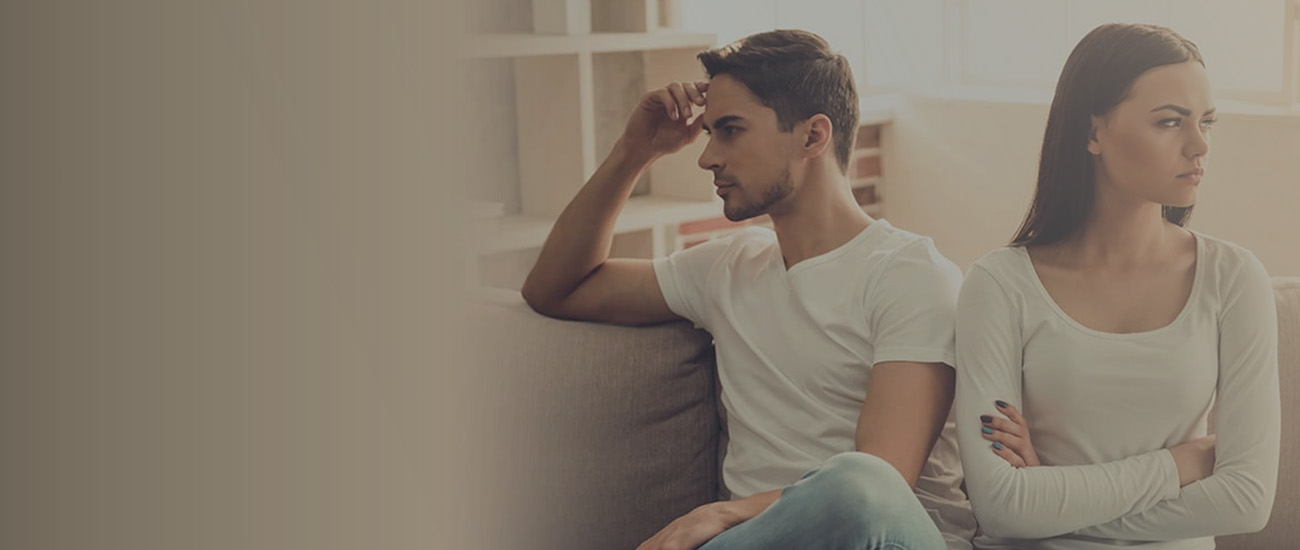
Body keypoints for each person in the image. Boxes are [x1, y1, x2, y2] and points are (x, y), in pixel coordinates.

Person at [522, 29, 974, 550]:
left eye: (730, 130)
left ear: (812, 137)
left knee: (858, 485)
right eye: (710, 132)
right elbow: (554, 289)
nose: (707, 157)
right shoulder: (728, 268)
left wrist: (723, 513)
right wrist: (634, 152)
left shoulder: (911, 275)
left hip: (887, 537)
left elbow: (882, 480)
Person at [955, 23, 1279, 549]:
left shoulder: (1234, 279)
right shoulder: (998, 285)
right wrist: (1177, 464)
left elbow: (1245, 498)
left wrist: (1049, 501)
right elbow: (1000, 507)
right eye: (1170, 122)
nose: (1199, 145)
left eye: (1207, 122)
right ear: (1093, 133)